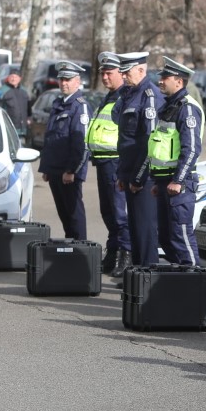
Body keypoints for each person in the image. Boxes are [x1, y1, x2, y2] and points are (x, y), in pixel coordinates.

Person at [148, 57, 204, 264]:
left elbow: (191, 150)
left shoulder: (187, 108)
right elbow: (159, 147)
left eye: (165, 77)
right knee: (166, 237)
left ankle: (195, 285)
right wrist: (157, 181)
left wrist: (178, 180)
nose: (160, 81)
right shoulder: (169, 106)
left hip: (179, 184)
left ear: (179, 81)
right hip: (165, 182)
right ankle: (179, 283)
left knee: (182, 236)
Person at [115, 51, 165, 273]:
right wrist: (122, 175)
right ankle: (137, 277)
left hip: (143, 177)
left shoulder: (149, 96)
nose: (124, 76)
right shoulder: (129, 94)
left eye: (127, 72)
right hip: (129, 173)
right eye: (123, 72)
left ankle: (148, 277)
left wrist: (138, 177)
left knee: (145, 230)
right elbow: (125, 140)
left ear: (141, 70)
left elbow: (150, 142)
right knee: (135, 229)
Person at [87, 51, 131, 274]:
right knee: (108, 212)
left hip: (115, 161)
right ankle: (113, 252)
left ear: (121, 74)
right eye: (102, 73)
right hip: (103, 162)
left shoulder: (124, 97)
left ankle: (125, 257)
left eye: (109, 73)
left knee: (119, 212)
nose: (104, 77)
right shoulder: (110, 97)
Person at [40, 60, 89, 239]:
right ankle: (71, 248)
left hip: (69, 172)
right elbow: (51, 137)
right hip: (55, 169)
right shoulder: (58, 103)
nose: (64, 83)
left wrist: (71, 170)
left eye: (68, 79)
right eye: (61, 79)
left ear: (77, 81)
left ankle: (81, 249)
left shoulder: (79, 105)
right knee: (64, 214)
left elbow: (81, 143)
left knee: (74, 213)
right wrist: (46, 168)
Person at [0, 70, 29, 137]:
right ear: (8, 78)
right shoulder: (2, 91)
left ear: (20, 79)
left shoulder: (24, 91)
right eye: (12, 77)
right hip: (7, 128)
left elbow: (28, 109)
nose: (13, 79)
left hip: (22, 129)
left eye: (16, 77)